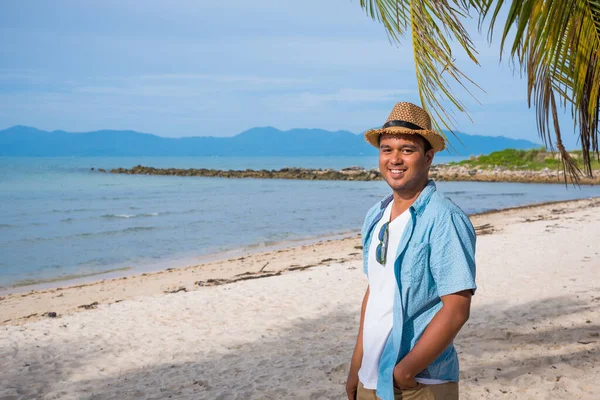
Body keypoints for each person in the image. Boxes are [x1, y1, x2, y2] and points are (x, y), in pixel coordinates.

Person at [346, 102, 477, 400]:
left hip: (417, 384)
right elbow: (375, 293)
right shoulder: (375, 215)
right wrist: (356, 366)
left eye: (407, 150)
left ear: (428, 156)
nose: (395, 159)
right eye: (387, 149)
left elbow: (457, 308)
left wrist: (405, 371)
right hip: (372, 376)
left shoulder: (444, 219)